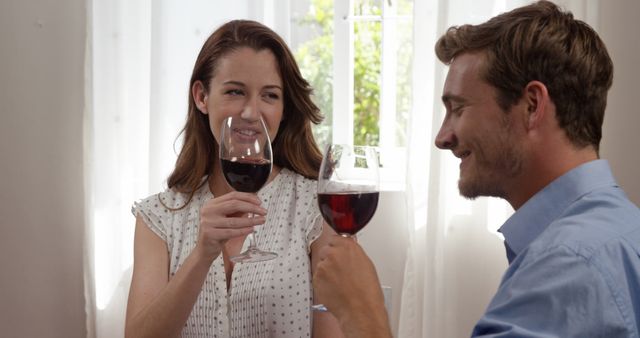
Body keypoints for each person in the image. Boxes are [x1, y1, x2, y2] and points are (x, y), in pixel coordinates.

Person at [313, 1, 640, 337]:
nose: (442, 138)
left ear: (531, 105)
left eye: (458, 108)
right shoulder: (623, 227)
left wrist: (361, 314)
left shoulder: (566, 266)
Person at [125, 20, 344, 338]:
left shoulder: (319, 209)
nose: (251, 112)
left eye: (269, 96)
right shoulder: (158, 216)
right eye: (235, 92)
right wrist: (202, 254)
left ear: (284, 109)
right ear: (202, 96)